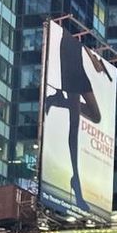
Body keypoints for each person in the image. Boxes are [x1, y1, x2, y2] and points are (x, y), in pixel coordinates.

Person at [45, 27, 109, 210]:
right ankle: (77, 184)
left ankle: (58, 101)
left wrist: (94, 58)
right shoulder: (69, 26)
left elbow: (84, 42)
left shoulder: (78, 27)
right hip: (70, 58)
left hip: (76, 60)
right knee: (74, 127)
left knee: (95, 116)